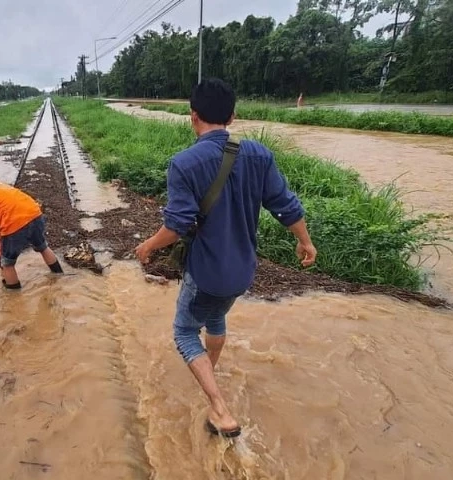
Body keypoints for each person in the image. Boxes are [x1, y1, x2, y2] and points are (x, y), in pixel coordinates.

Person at [135, 78, 317, 438]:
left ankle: (220, 409)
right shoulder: (260, 155)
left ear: (193, 116)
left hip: (207, 273)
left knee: (185, 331)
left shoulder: (183, 164)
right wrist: (305, 243)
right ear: (232, 117)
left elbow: (177, 225)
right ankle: (210, 369)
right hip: (243, 271)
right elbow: (285, 206)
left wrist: (148, 247)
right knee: (216, 317)